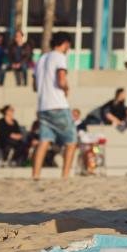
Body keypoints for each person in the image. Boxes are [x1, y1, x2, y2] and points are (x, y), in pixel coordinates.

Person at [32, 32, 77, 179]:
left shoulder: (41, 58)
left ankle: (36, 174)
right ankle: (65, 175)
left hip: (42, 106)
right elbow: (61, 79)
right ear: (65, 43)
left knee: (44, 141)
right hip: (57, 104)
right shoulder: (59, 57)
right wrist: (66, 89)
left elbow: (34, 85)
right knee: (71, 141)